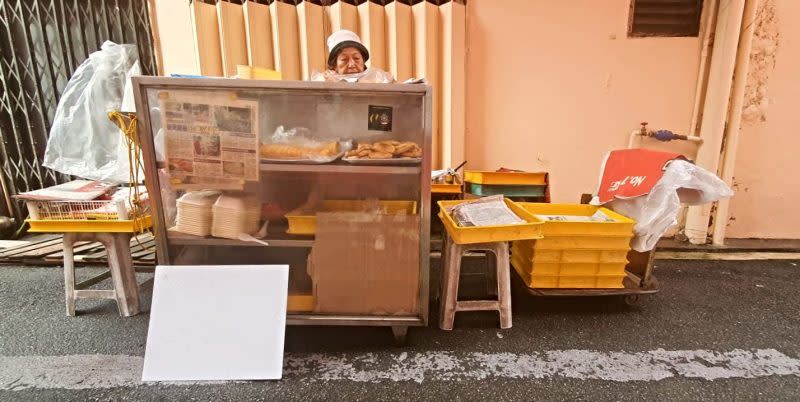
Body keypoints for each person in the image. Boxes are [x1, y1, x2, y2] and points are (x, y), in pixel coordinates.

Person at [314, 30, 394, 83]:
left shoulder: (379, 77)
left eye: (356, 58)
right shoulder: (323, 81)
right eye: (344, 59)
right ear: (334, 66)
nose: (352, 64)